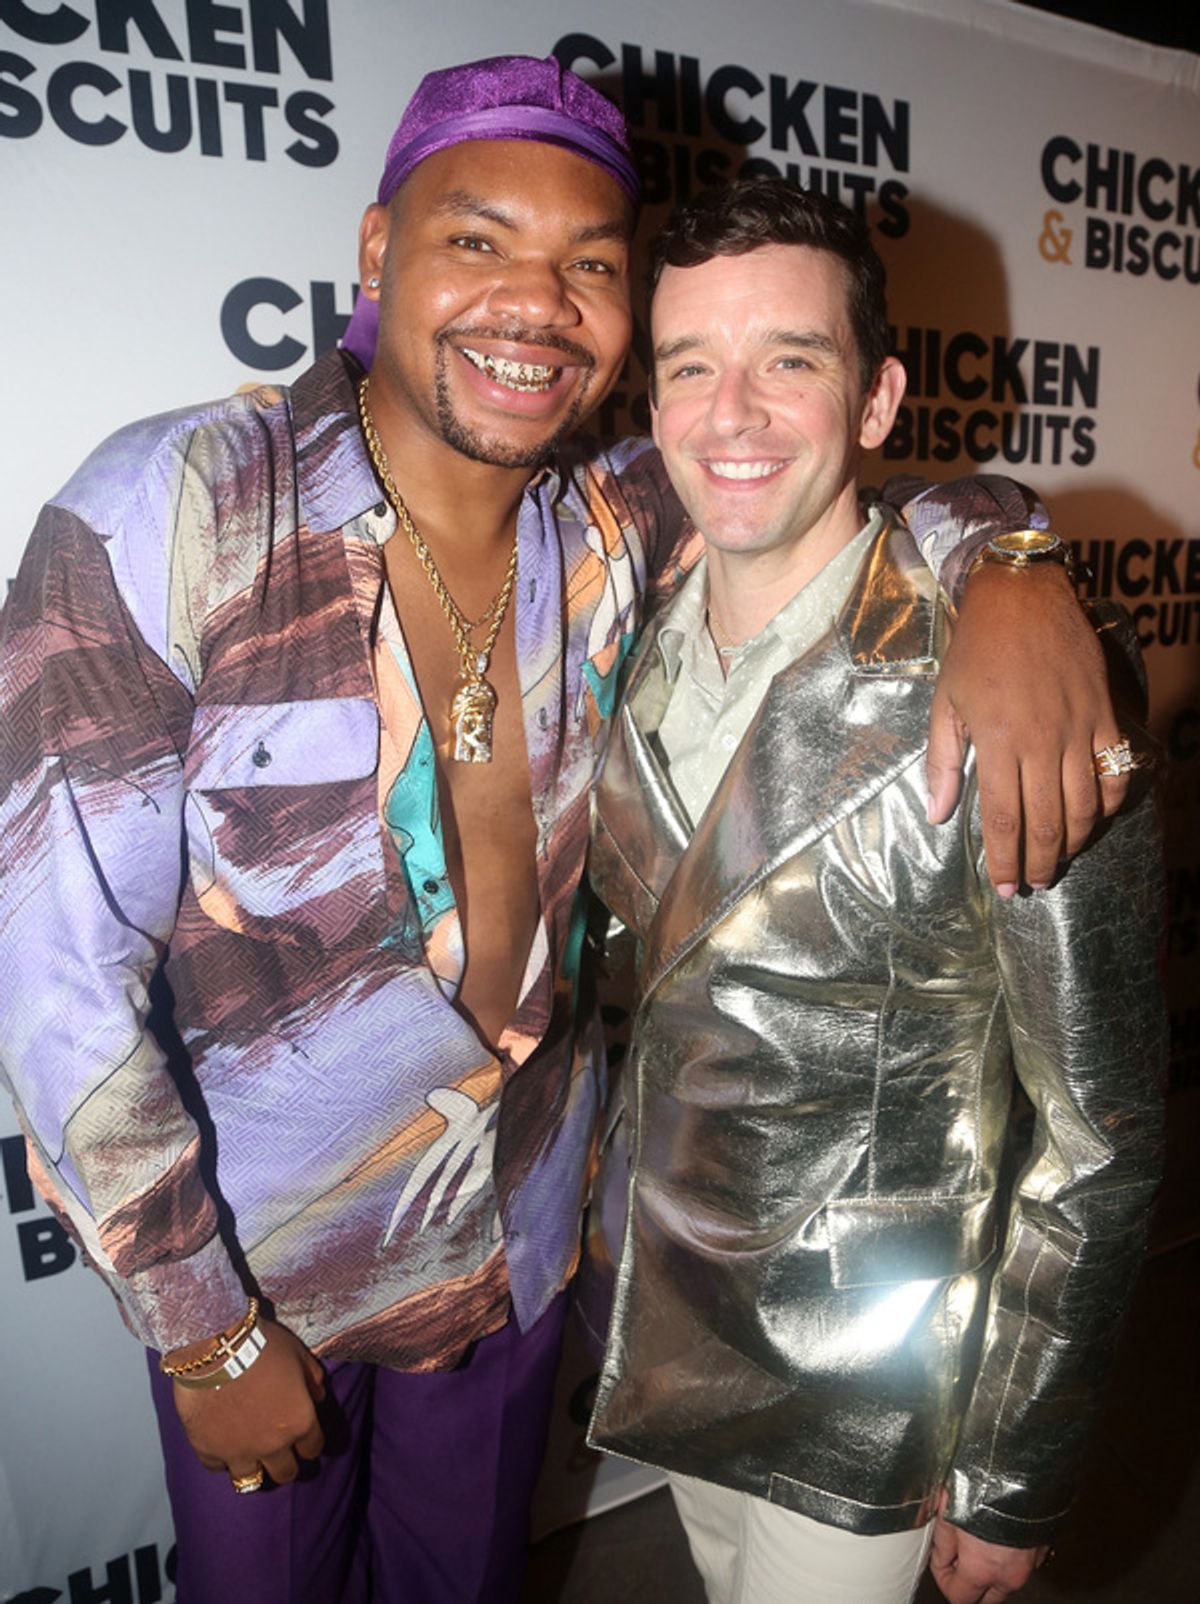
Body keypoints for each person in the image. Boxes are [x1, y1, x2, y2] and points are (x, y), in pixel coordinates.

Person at [0, 57, 1135, 1604]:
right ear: (380, 250)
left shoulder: (609, 521)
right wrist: (201, 1323)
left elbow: (826, 481)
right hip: (279, 1279)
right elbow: (50, 966)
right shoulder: (180, 508)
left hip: (520, 1252)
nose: (535, 302)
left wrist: (1005, 554)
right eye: (479, 240)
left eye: (590, 265)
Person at [585, 176, 1166, 1604]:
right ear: (649, 401)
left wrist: (1017, 1467)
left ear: (880, 396)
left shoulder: (1012, 688)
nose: (734, 414)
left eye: (791, 360)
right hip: (667, 1325)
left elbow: (1100, 1136)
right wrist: (1011, 536)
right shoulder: (624, 625)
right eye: (692, 367)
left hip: (871, 1387)